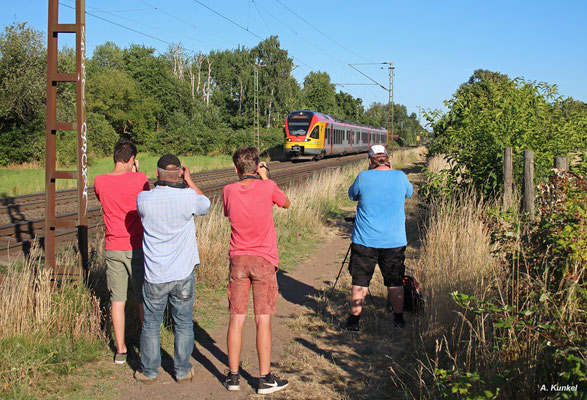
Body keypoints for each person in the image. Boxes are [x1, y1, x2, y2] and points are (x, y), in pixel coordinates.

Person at [134, 154, 210, 384]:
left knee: (150, 324)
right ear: (179, 173)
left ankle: (149, 371)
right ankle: (182, 369)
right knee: (183, 322)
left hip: (155, 274)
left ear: (156, 174)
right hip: (182, 273)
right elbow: (205, 204)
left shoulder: (144, 199)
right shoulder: (188, 196)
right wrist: (189, 181)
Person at [222, 146, 291, 395]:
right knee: (263, 320)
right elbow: (286, 203)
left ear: (235, 169)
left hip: (238, 259)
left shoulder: (228, 190)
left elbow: (228, 212)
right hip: (263, 259)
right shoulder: (268, 186)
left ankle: (233, 377)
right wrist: (266, 178)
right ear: (257, 165)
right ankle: (264, 379)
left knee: (236, 319)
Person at [345, 144, 413, 331]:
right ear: (388, 158)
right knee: (395, 281)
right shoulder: (400, 176)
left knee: (360, 280)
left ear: (370, 160)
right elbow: (409, 193)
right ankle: (398, 320)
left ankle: (354, 321)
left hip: (365, 239)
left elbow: (352, 195)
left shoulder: (364, 177)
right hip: (394, 240)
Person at [94, 139, 150, 364]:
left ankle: (121, 349)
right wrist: (137, 172)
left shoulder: (100, 181)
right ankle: (147, 344)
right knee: (143, 298)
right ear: (130, 160)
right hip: (137, 246)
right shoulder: (140, 178)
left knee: (117, 300)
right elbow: (146, 199)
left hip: (113, 246)